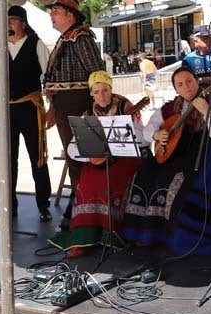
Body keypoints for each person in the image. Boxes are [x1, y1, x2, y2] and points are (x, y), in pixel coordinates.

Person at [122, 65, 211, 254]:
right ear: (176, 89)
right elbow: (148, 129)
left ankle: (178, 237)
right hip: (178, 153)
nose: (186, 87)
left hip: (204, 150)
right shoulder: (170, 107)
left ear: (196, 81)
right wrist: (158, 135)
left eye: (189, 81)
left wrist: (207, 111)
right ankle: (144, 233)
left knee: (179, 182)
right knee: (146, 173)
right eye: (180, 84)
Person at [49, 71, 144, 256]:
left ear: (111, 89)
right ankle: (83, 237)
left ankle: (114, 232)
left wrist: (130, 128)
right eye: (97, 91)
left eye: (106, 90)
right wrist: (90, 155)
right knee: (87, 181)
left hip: (126, 158)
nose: (102, 96)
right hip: (100, 159)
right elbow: (73, 147)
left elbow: (143, 138)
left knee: (108, 181)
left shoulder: (126, 106)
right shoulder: (88, 114)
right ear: (91, 93)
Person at [0, 5, 53, 222]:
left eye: (13, 20)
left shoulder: (36, 44)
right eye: (6, 20)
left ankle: (43, 204)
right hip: (6, 109)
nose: (9, 24)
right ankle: (8, 207)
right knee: (8, 159)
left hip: (30, 107)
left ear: (23, 23)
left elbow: (49, 76)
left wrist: (52, 107)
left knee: (37, 157)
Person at [43, 0, 106, 228]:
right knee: (74, 159)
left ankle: (83, 209)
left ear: (70, 15)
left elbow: (97, 73)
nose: (52, 15)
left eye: (56, 12)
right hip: (64, 107)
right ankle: (79, 206)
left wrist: (97, 107)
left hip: (79, 106)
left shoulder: (80, 37)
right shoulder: (65, 37)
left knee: (83, 159)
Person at [182, 25, 211, 90]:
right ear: (195, 41)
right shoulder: (188, 60)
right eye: (206, 38)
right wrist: (204, 80)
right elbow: (185, 81)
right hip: (198, 98)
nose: (210, 41)